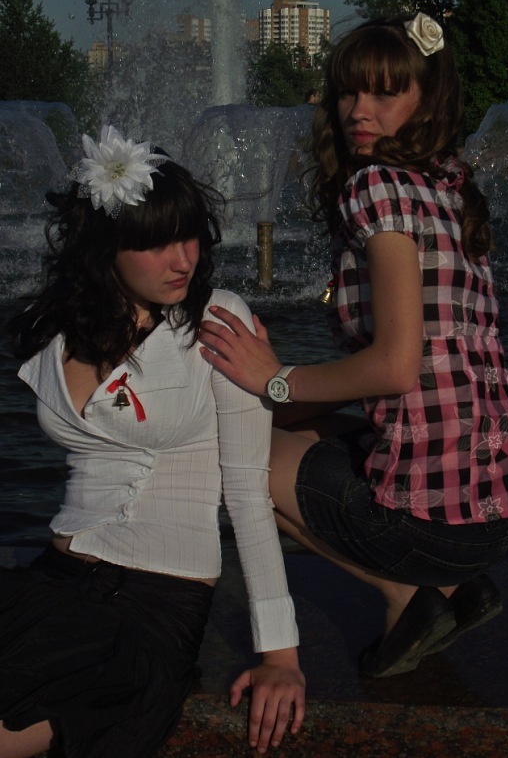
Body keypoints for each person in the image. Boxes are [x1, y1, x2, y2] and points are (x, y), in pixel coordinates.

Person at [199, 13, 508, 678]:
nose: (359, 110)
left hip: (433, 525)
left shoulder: (375, 186)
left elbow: (394, 367)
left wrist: (273, 378)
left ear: (426, 100)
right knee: (280, 427)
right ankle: (458, 588)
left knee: (225, 451)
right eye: (349, 91)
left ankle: (405, 594)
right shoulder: (446, 182)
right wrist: (278, 403)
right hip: (505, 506)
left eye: (385, 93)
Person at [0, 125, 305, 757]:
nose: (183, 260)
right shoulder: (62, 330)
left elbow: (247, 493)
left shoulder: (217, 321)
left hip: (148, 606)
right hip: (51, 581)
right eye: (155, 243)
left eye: (189, 236)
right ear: (105, 247)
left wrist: (280, 654)